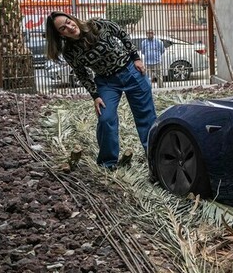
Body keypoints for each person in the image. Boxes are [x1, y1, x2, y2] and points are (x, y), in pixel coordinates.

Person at [45, 11, 156, 169]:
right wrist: (95, 96)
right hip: (106, 82)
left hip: (130, 72)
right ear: (59, 35)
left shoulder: (98, 25)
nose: (69, 27)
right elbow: (82, 74)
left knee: (146, 118)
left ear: (73, 18)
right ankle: (107, 164)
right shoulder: (69, 52)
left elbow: (122, 34)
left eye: (68, 22)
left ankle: (156, 160)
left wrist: (136, 58)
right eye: (63, 28)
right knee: (105, 118)